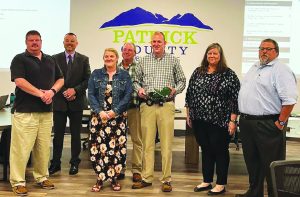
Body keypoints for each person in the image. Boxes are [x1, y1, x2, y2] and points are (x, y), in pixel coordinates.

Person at [237, 38, 298, 197]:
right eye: (261, 48)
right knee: (252, 162)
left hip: (268, 124)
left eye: (268, 49)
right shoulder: (255, 67)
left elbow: (290, 100)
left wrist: (280, 122)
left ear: (276, 52)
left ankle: (276, 194)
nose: (264, 51)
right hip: (247, 123)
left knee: (272, 164)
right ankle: (254, 192)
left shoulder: (281, 69)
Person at [9, 30, 64, 196]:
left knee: (43, 148)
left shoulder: (50, 59)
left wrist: (52, 92)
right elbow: (19, 81)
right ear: (26, 42)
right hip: (26, 112)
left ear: (41, 41)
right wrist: (41, 94)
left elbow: (60, 79)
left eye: (37, 40)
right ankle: (18, 181)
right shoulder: (19, 59)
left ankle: (41, 177)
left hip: (46, 112)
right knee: (21, 149)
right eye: (31, 40)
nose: (35, 43)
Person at [132, 31, 186, 192]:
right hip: (147, 106)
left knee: (166, 144)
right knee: (147, 144)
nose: (156, 44)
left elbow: (182, 80)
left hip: (166, 106)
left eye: (159, 42)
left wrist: (174, 90)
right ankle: (146, 178)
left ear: (165, 43)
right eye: (154, 42)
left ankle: (166, 179)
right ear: (151, 43)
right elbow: (135, 81)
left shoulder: (173, 61)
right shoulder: (143, 61)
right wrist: (139, 89)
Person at [185, 43, 240, 195]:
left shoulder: (228, 74)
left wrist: (233, 120)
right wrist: (189, 114)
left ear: (220, 56)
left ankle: (221, 184)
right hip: (199, 119)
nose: (212, 56)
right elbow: (189, 94)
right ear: (206, 55)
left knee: (220, 151)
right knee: (206, 150)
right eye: (210, 53)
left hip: (220, 120)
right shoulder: (198, 72)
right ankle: (207, 181)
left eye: (215, 53)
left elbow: (234, 99)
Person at [88, 48, 132, 192]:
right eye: (106, 56)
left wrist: (114, 111)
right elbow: (91, 95)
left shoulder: (124, 75)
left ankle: (114, 178)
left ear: (117, 58)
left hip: (117, 118)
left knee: (115, 149)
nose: (109, 58)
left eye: (111, 56)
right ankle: (100, 178)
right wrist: (100, 111)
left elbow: (128, 95)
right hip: (99, 118)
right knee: (99, 149)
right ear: (103, 58)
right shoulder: (96, 74)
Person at [49, 33, 91, 175]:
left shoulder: (84, 59)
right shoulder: (55, 58)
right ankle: (55, 163)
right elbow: (52, 78)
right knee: (58, 135)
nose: (69, 43)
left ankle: (74, 163)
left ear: (76, 43)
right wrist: (66, 91)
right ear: (63, 43)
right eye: (67, 41)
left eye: (72, 41)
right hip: (59, 102)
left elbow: (87, 80)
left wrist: (75, 91)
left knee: (75, 135)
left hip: (77, 102)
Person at [118, 42, 143, 182]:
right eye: (125, 50)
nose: (127, 52)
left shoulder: (139, 67)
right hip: (118, 110)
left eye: (130, 50)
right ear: (122, 52)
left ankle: (137, 170)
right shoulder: (115, 68)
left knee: (137, 140)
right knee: (119, 140)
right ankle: (119, 168)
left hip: (135, 108)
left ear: (134, 53)